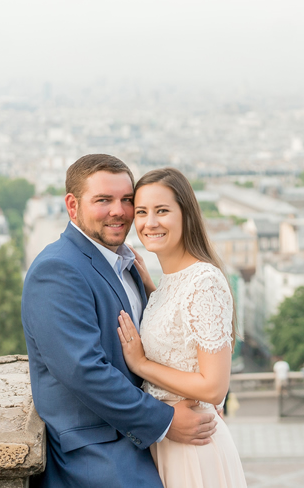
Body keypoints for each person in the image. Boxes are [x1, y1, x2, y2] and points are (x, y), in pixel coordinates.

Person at [21, 155, 217, 488]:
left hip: (138, 433)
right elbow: (84, 370)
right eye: (103, 200)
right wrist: (166, 420)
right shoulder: (57, 270)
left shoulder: (124, 262)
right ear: (72, 205)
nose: (119, 211)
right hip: (98, 448)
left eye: (127, 200)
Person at [117, 167, 247, 488]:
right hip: (170, 442)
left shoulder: (204, 281)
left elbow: (214, 387)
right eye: (143, 212)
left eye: (162, 211)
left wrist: (141, 364)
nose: (150, 223)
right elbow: (176, 334)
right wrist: (152, 290)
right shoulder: (170, 283)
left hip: (194, 450)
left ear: (186, 214)